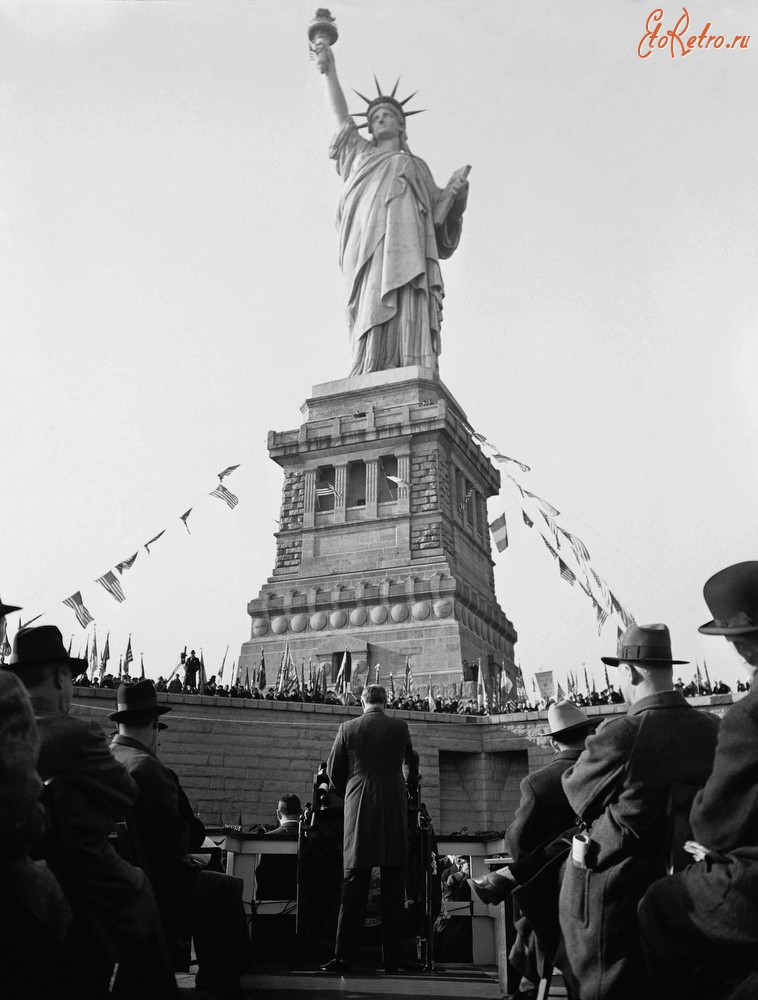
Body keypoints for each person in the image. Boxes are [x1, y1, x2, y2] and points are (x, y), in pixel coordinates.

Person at [4, 625, 176, 998]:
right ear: (61, 677)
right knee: (142, 888)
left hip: (21, 881)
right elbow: (126, 794)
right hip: (85, 877)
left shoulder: (9, 730)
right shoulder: (76, 734)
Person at [557, 623, 720, 1000]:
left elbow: (575, 793)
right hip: (697, 889)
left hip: (619, 905)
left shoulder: (622, 734)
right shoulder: (715, 728)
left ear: (629, 671)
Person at [313, 38, 469, 377]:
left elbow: (441, 229)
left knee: (408, 294)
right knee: (371, 298)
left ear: (401, 124)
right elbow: (341, 119)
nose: (380, 121)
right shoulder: (361, 154)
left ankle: (410, 360)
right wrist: (330, 72)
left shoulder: (416, 166)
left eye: (388, 116)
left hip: (408, 247)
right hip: (368, 246)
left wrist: (456, 198)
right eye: (375, 117)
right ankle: (370, 361)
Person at [639, 562, 758, 999]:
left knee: (661, 905)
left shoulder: (748, 714)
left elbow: (715, 825)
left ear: (743, 640)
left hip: (752, 887)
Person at [109, 679, 251, 1000]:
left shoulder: (106, 758)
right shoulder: (148, 768)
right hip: (155, 884)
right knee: (227, 887)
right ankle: (223, 982)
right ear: (155, 726)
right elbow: (177, 844)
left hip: (117, 879)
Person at [320, 683, 418, 973]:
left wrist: (353, 785)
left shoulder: (348, 728)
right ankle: (395, 959)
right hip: (393, 800)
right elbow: (410, 765)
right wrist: (405, 785)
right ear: (386, 702)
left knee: (354, 880)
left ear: (362, 701)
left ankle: (344, 957)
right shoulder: (400, 727)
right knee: (393, 880)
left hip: (359, 800)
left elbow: (334, 773)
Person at [254, 793, 302, 963]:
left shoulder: (268, 838)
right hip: (304, 905)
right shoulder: (309, 838)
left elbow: (261, 876)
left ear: (278, 813)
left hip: (272, 908)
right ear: (301, 812)